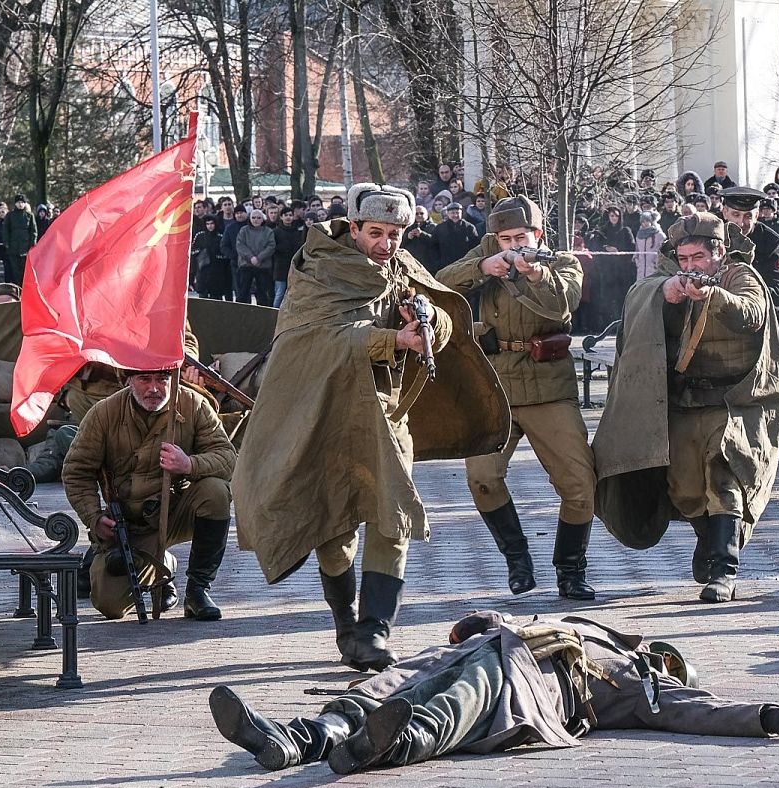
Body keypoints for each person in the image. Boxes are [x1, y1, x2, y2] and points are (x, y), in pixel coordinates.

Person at [232, 183, 508, 672]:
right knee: (335, 528)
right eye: (376, 232)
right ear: (353, 228)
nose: (386, 243)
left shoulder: (402, 269)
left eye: (396, 233)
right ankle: (346, 621)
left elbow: (441, 319)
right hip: (328, 413)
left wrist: (427, 328)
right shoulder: (318, 269)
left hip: (386, 412)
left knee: (393, 515)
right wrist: (389, 339)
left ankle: (375, 629)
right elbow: (314, 339)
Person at [209, 611, 779, 773]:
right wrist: (478, 623)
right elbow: (481, 620)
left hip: (527, 683)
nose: (659, 664)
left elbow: (698, 711)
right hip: (484, 649)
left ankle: (384, 748)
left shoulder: (636, 684)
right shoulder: (590, 630)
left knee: (455, 704)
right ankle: (294, 740)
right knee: (388, 684)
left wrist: (764, 715)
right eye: (660, 656)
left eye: (666, 665)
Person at [593, 213, 779, 603]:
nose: (690, 266)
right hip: (684, 402)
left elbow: (752, 312)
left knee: (725, 478)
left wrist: (715, 296)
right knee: (684, 488)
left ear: (718, 252)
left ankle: (724, 570)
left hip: (735, 402)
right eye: (683, 259)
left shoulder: (739, 275)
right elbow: (639, 298)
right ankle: (708, 541)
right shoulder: (669, 276)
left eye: (697, 258)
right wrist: (667, 291)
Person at [436, 195, 597, 601]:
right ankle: (517, 561)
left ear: (538, 235)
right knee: (483, 480)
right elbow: (439, 282)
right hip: (494, 385)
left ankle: (570, 570)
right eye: (504, 238)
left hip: (548, 385)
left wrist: (536, 275)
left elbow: (565, 303)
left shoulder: (562, 262)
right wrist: (480, 267)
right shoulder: (488, 253)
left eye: (520, 237)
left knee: (579, 485)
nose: (511, 245)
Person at [61, 366, 236, 621]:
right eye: (144, 378)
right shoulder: (103, 413)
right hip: (129, 528)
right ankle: (160, 563)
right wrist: (95, 518)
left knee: (216, 492)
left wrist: (189, 464)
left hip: (174, 514)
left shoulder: (193, 404)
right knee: (110, 606)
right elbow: (76, 471)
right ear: (129, 379)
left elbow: (227, 457)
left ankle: (198, 590)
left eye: (162, 379)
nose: (154, 388)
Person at [718, 187, 779, 308]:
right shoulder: (712, 234)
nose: (741, 223)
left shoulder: (770, 241)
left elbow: (778, 294)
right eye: (736, 214)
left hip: (754, 311)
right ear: (725, 213)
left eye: (748, 216)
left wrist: (746, 294)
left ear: (756, 216)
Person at [235, 209, 276, 306]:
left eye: (258, 218)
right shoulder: (244, 230)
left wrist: (259, 258)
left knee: (263, 295)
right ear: (250, 218)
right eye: (253, 217)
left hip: (263, 266)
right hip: (246, 266)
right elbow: (240, 245)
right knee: (243, 294)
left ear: (263, 219)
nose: (256, 220)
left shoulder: (268, 231)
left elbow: (271, 246)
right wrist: (251, 257)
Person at [272, 207, 307, 308]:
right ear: (281, 217)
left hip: (295, 266)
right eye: (286, 215)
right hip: (280, 267)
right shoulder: (276, 232)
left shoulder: (297, 231)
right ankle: (274, 315)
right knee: (279, 294)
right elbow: (273, 248)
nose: (288, 217)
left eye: (290, 215)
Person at [190, 217, 232, 301]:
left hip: (217, 271)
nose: (210, 226)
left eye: (212, 224)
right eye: (207, 224)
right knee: (202, 297)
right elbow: (193, 251)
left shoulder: (220, 237)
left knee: (216, 298)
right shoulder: (199, 236)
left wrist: (216, 256)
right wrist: (202, 253)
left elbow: (224, 254)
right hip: (202, 271)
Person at [432, 202, 480, 269]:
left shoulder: (469, 227)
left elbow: (475, 246)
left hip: (464, 263)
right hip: (445, 264)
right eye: (452, 213)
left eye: (457, 213)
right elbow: (434, 246)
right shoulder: (440, 228)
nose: (455, 215)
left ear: (461, 213)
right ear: (448, 214)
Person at [2, 194, 36, 285]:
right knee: (15, 271)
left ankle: (23, 289)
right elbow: (5, 230)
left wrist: (32, 245)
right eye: (18, 202)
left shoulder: (30, 215)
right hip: (13, 247)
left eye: (22, 202)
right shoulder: (10, 215)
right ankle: (17, 288)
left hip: (26, 248)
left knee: (24, 271)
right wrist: (6, 243)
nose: (20, 204)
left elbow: (33, 231)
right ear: (15, 204)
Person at [402, 205, 437, 273]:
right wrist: (407, 237)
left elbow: (437, 242)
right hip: (409, 263)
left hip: (428, 264)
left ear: (427, 215)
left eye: (421, 213)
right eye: (416, 213)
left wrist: (422, 234)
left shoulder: (434, 227)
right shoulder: (407, 227)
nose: (419, 215)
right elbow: (399, 243)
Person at [633, 211, 666, 281]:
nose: (645, 223)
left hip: (654, 270)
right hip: (641, 271)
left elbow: (663, 251)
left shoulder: (659, 235)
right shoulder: (639, 235)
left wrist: (656, 264)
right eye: (643, 221)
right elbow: (636, 251)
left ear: (651, 221)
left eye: (647, 221)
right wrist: (637, 262)